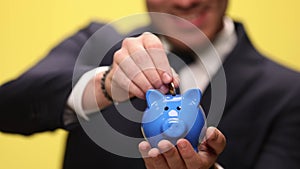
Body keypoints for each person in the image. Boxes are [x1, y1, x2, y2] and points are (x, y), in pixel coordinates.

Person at [1, 0, 300, 169]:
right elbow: (8, 108)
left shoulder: (289, 92)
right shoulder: (94, 45)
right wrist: (106, 85)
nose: (185, 1)